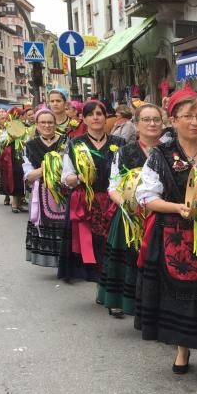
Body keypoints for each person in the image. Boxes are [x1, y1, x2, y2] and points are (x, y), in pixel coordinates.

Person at [134, 90, 197, 371]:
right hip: (175, 235)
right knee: (180, 296)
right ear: (173, 120)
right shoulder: (161, 155)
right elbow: (145, 196)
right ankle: (182, 349)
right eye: (188, 116)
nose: (195, 122)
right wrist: (177, 208)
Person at [98, 103, 165, 318]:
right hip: (129, 216)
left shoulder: (169, 152)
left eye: (156, 119)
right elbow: (113, 186)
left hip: (159, 215)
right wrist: (128, 206)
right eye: (146, 119)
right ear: (136, 124)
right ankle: (120, 301)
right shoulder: (125, 152)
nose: (152, 124)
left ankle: (155, 306)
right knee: (127, 258)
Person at [60, 101, 124, 282]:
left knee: (111, 241)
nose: (95, 117)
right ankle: (90, 274)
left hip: (112, 199)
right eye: (90, 114)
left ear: (106, 118)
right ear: (84, 119)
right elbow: (66, 178)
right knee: (89, 241)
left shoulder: (120, 143)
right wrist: (82, 177)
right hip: (84, 199)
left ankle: (110, 278)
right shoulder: (75, 144)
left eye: (99, 114)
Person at [24, 108, 68, 267]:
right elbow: (28, 175)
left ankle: (66, 261)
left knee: (65, 225)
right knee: (44, 225)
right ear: (36, 125)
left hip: (63, 191)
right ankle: (48, 260)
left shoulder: (66, 142)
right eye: (43, 122)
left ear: (56, 124)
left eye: (50, 122)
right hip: (40, 192)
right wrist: (47, 168)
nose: (47, 125)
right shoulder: (30, 145)